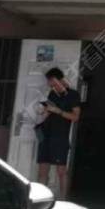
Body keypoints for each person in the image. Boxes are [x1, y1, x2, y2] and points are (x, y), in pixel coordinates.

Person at [36, 66, 82, 200]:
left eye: (54, 83)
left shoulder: (73, 95)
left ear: (61, 80)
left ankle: (63, 199)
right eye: (50, 84)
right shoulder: (51, 94)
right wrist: (43, 111)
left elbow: (75, 117)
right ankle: (40, 199)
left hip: (60, 136)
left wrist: (59, 111)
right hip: (45, 135)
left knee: (61, 171)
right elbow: (46, 112)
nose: (52, 86)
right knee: (42, 169)